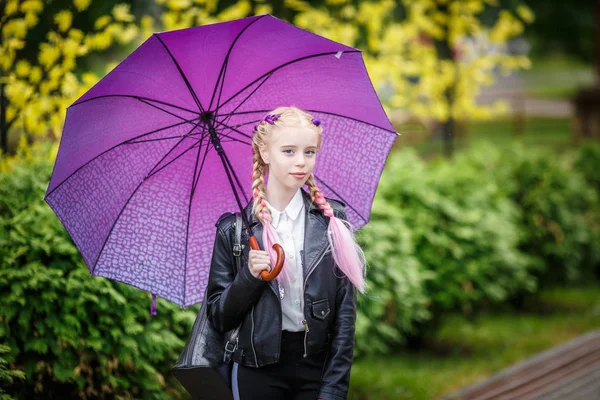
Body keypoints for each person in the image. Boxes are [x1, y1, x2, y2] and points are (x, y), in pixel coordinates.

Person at [205, 106, 367, 400]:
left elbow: (345, 319)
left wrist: (333, 389)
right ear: (265, 153)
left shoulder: (331, 221)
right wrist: (249, 277)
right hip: (256, 371)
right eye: (289, 151)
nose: (301, 162)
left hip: (315, 370)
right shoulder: (235, 232)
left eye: (310, 152)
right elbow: (218, 318)